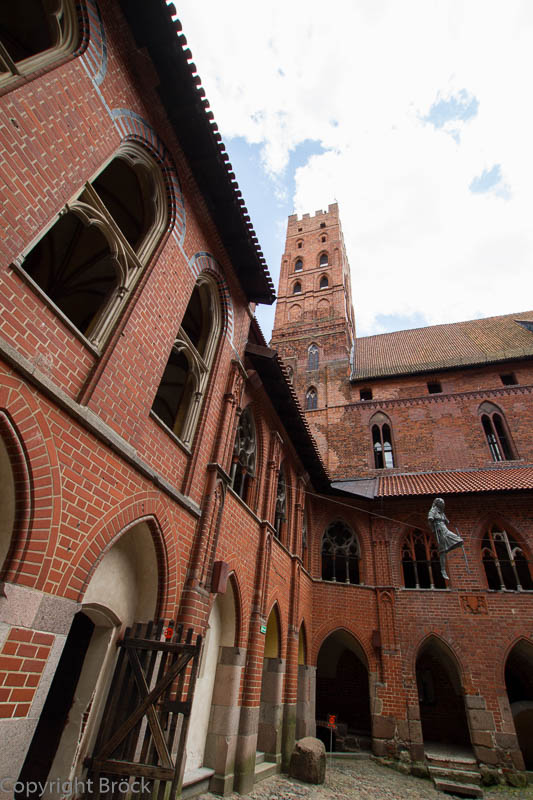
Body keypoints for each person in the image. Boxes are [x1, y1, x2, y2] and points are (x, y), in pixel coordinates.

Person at [427, 497, 463, 580]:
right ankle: (443, 569)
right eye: (441, 503)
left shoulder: (442, 512)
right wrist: (433, 529)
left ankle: (448, 548)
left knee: (460, 540)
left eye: (443, 503)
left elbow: (447, 521)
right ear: (437, 503)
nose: (443, 505)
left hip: (445, 529)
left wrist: (446, 520)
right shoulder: (433, 511)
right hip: (439, 530)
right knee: (442, 550)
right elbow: (430, 519)